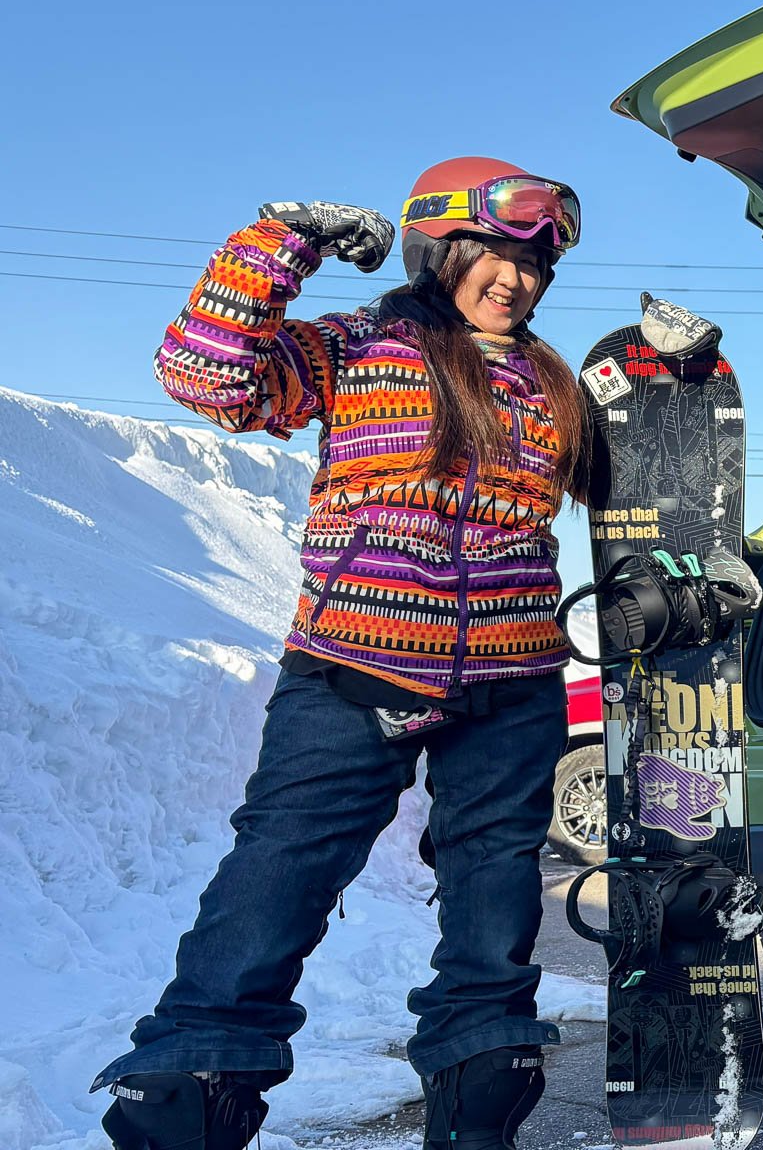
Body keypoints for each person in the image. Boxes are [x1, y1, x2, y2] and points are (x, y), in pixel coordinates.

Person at [94, 157, 589, 1150]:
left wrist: (670, 377)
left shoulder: (549, 382)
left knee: (492, 917)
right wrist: (285, 239)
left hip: (516, 683)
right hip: (353, 668)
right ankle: (190, 1094)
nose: (516, 281)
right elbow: (209, 375)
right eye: (496, 254)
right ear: (440, 248)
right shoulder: (365, 344)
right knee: (278, 877)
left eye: (537, 266)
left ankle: (479, 1102)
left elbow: (637, 494)